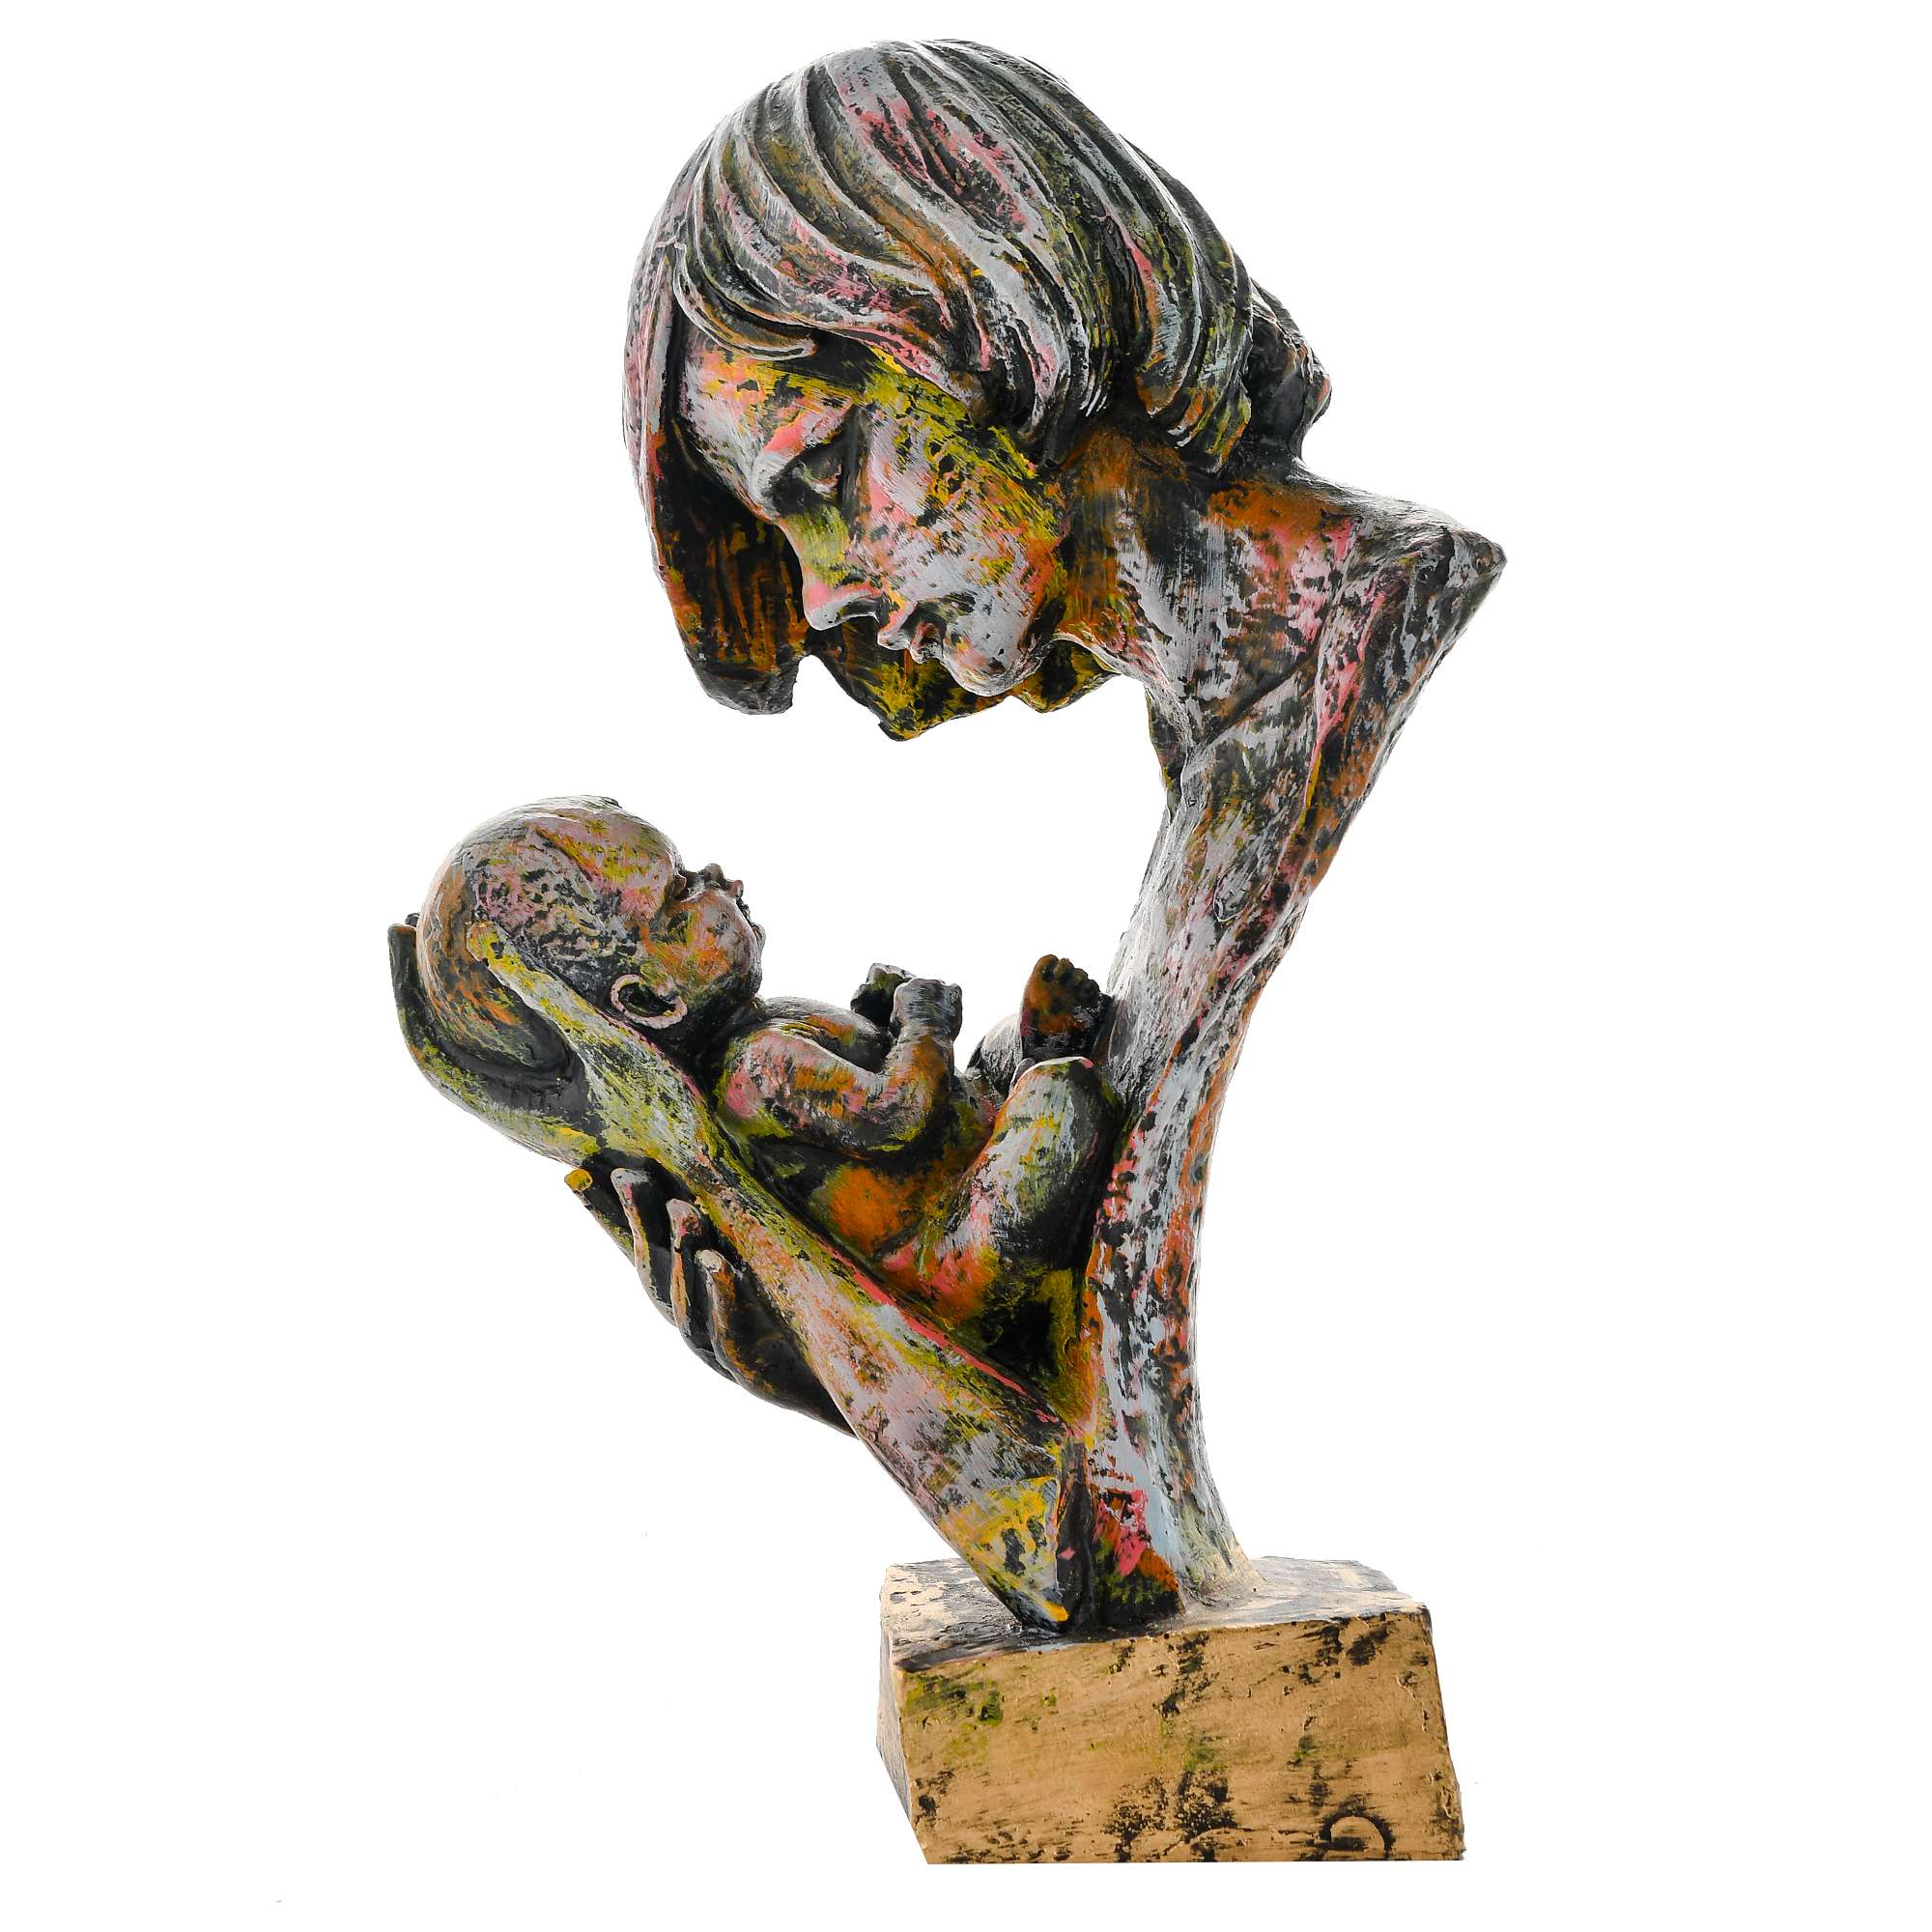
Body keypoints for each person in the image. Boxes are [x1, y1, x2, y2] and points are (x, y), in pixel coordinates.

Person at [412, 797, 1115, 1390]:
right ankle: (1047, 1061)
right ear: (650, 999)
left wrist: (874, 1021)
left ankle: (1032, 1052)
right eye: (683, 893)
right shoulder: (755, 1067)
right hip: (954, 1265)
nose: (718, 878)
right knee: (1060, 1098)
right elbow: (894, 1114)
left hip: (958, 1166)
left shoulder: (763, 1035)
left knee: (999, 1055)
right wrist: (924, 1025)